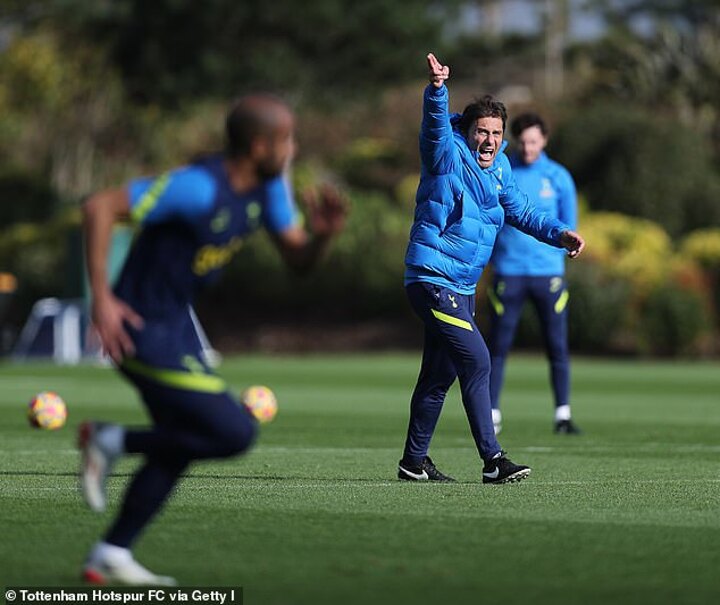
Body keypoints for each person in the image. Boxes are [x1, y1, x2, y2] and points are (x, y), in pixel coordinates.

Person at [79, 93, 346, 585]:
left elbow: (297, 260)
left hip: (176, 325)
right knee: (233, 431)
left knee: (183, 441)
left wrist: (323, 236)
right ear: (259, 146)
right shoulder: (197, 188)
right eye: (286, 139)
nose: (293, 148)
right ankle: (110, 439)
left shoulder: (269, 189)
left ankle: (111, 552)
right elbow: (100, 207)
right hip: (136, 328)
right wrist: (101, 298)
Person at [398, 53, 585, 484]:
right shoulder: (446, 152)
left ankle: (413, 462)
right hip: (432, 278)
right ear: (467, 131)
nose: (489, 140)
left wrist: (560, 233)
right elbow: (434, 124)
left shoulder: (500, 167)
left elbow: (522, 211)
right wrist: (438, 90)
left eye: (497, 133)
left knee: (439, 375)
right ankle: (493, 460)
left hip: (462, 286)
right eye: (482, 131)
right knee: (479, 360)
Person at [488, 113, 580, 435]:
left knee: (557, 345)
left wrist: (562, 250)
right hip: (508, 272)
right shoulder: (501, 169)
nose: (528, 148)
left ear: (544, 140)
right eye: (523, 142)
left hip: (548, 274)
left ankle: (563, 415)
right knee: (497, 346)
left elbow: (568, 225)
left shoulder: (558, 177)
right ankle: (491, 414)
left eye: (534, 142)